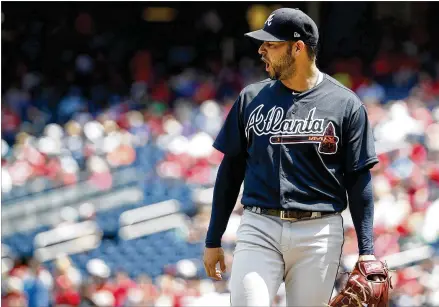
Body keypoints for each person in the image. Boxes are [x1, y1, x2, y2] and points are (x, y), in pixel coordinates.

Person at [203, 7, 381, 306]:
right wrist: (213, 238)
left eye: (271, 44)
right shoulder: (251, 98)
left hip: (319, 232)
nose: (261, 50)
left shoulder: (345, 104)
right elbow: (230, 170)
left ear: (298, 48)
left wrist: (367, 249)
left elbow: (358, 177)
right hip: (260, 226)